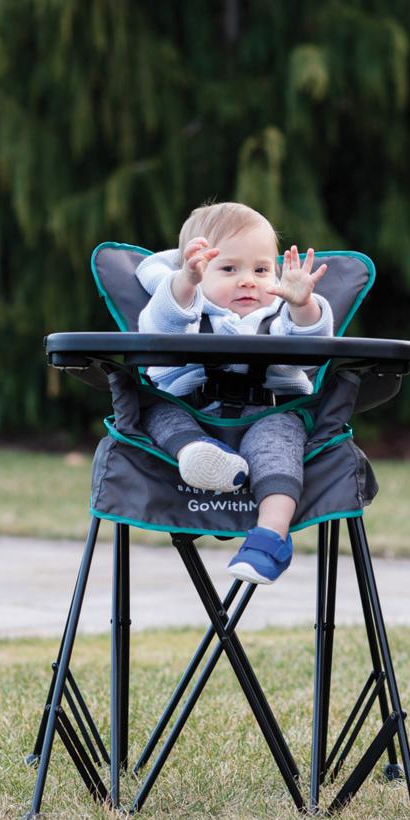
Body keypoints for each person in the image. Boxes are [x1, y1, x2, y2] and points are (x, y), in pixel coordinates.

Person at [135, 201, 331, 585]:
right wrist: (184, 283)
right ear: (198, 271)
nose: (248, 281)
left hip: (267, 414)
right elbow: (160, 330)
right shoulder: (186, 306)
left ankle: (269, 539)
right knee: (155, 410)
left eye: (261, 269)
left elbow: (314, 347)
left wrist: (303, 303)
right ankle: (196, 453)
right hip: (191, 414)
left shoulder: (281, 311)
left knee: (280, 443)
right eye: (229, 269)